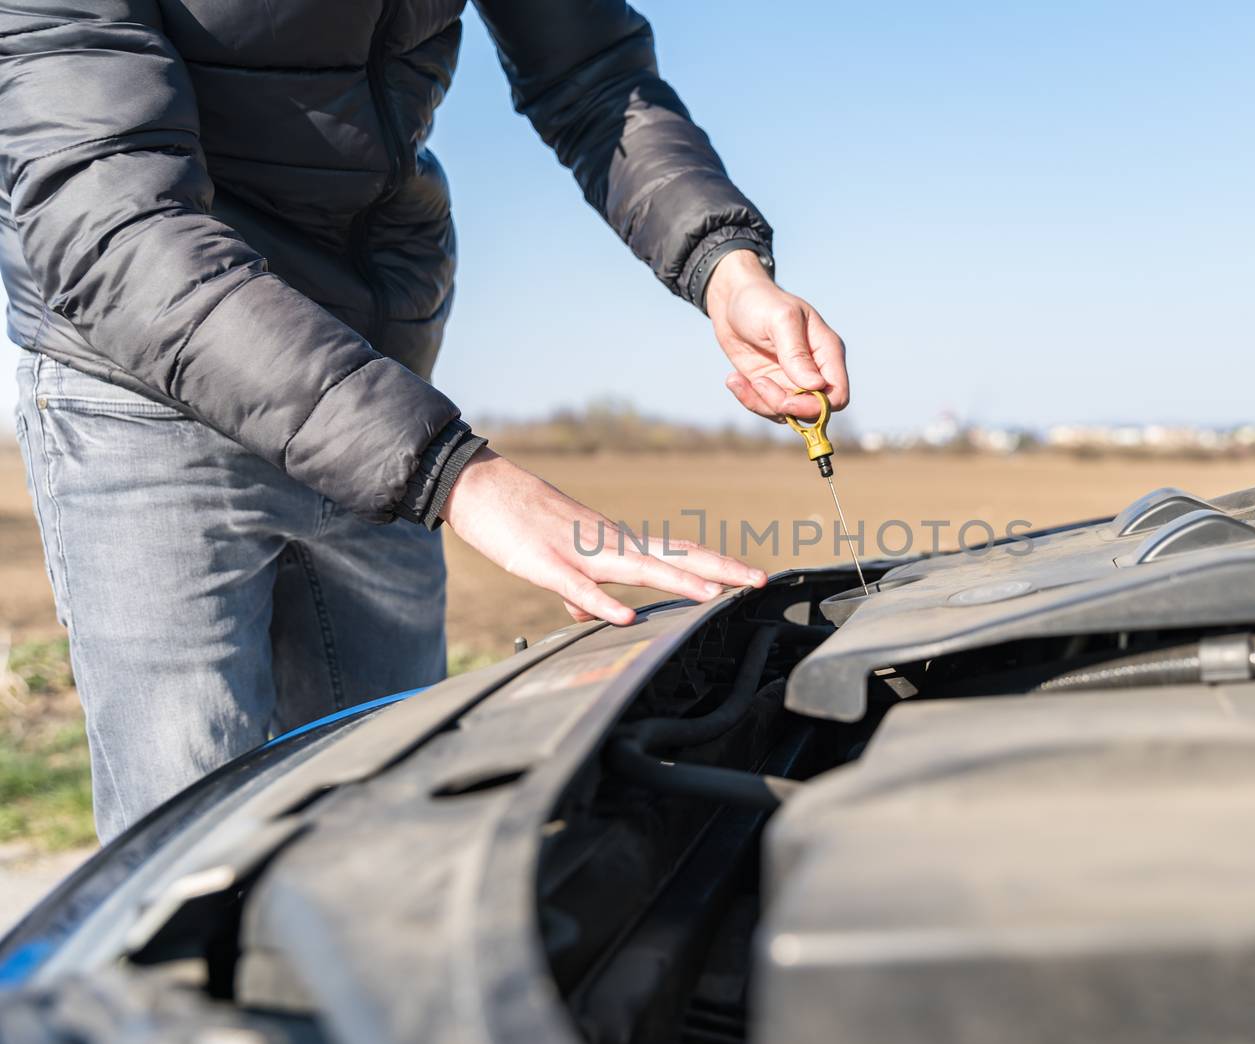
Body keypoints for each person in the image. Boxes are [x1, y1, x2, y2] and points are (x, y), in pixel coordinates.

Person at [0, 1, 849, 840]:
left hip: (374, 380)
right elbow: (111, 220)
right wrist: (455, 475)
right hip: (140, 381)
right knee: (186, 845)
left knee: (390, 817)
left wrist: (723, 263)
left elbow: (593, 76)